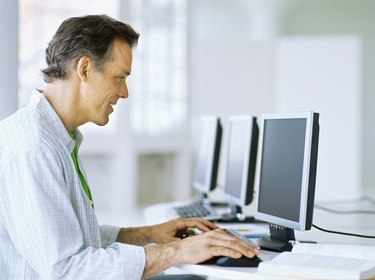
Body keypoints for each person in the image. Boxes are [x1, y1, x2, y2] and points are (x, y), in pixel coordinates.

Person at [0, 15, 260, 279]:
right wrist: (175, 252)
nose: (124, 92)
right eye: (119, 78)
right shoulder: (34, 150)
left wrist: (148, 235)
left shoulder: (54, 138)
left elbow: (70, 237)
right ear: (85, 69)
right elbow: (66, 270)